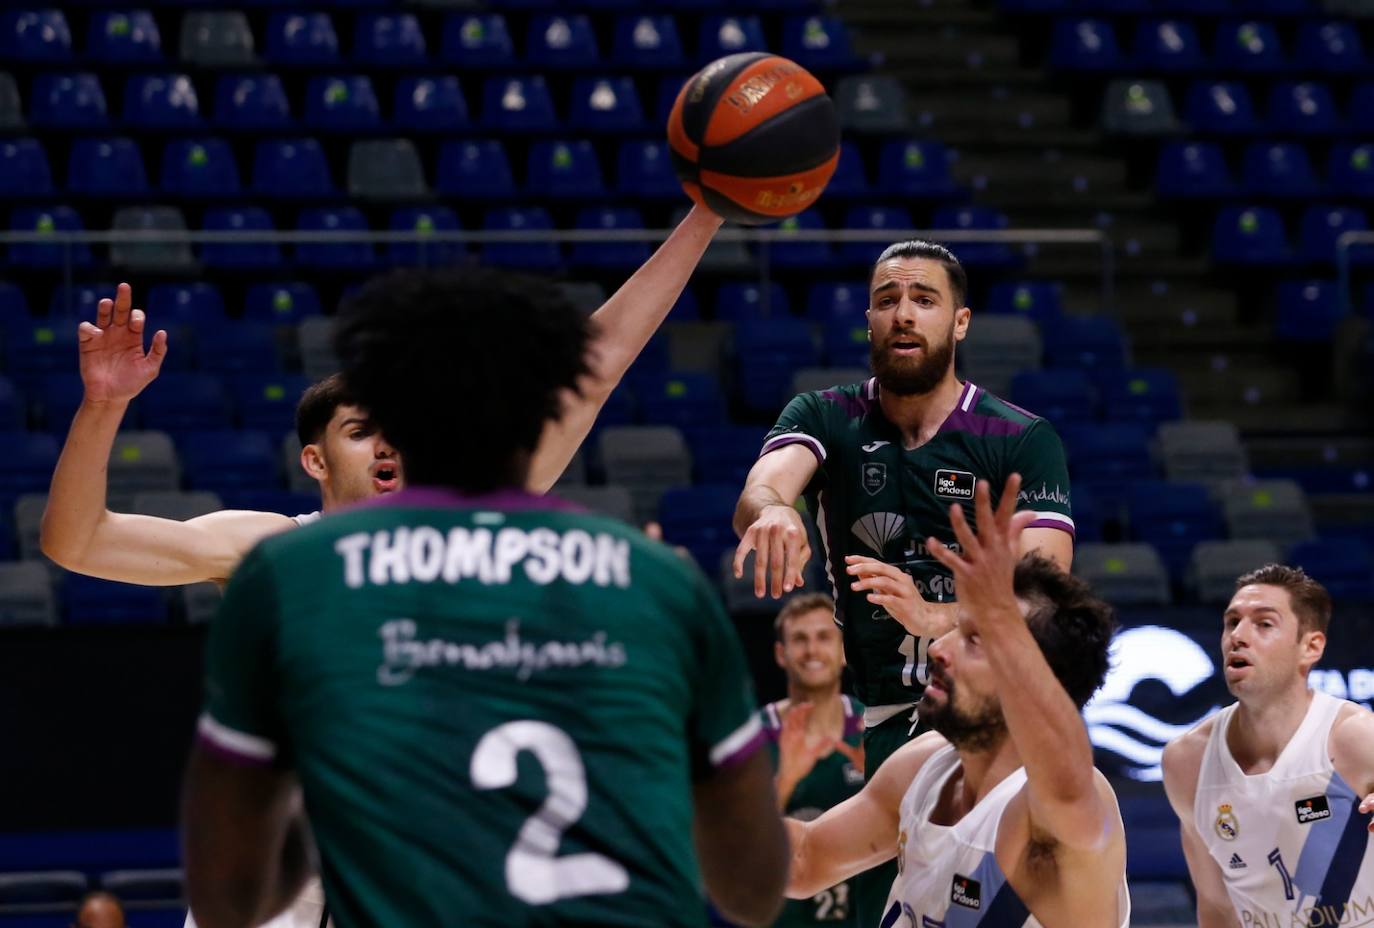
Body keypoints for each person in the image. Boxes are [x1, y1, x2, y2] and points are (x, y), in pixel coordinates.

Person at [40, 206, 726, 928]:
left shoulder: (466, 526)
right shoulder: (273, 551)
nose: (386, 446)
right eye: (361, 432)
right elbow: (77, 541)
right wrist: (102, 406)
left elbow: (596, 366)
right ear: (315, 458)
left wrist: (709, 212)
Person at [180, 267, 789, 928]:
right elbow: (753, 893)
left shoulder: (298, 577)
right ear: (547, 413)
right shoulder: (657, 583)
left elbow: (229, 898)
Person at [731, 240, 1075, 922]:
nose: (904, 316)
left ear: (961, 321)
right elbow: (764, 489)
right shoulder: (827, 415)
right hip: (882, 719)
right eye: (887, 301)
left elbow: (1046, 592)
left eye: (924, 300)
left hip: (995, 721)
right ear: (868, 320)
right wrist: (774, 515)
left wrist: (939, 615)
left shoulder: (1019, 437)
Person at [783, 475, 1128, 927]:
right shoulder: (924, 766)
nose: (939, 649)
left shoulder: (1062, 809)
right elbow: (805, 861)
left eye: (976, 640)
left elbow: (1067, 779)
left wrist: (1001, 617)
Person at [1161, 565, 1374, 928]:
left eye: (1263, 624)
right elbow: (1216, 906)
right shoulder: (1187, 761)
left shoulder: (1355, 738)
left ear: (1310, 647)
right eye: (1232, 622)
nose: (1238, 637)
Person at [765, 593, 864, 928]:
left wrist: (879, 776)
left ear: (844, 650)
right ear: (781, 653)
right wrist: (786, 780)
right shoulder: (751, 737)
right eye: (799, 639)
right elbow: (734, 845)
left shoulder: (874, 727)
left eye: (824, 637)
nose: (812, 651)